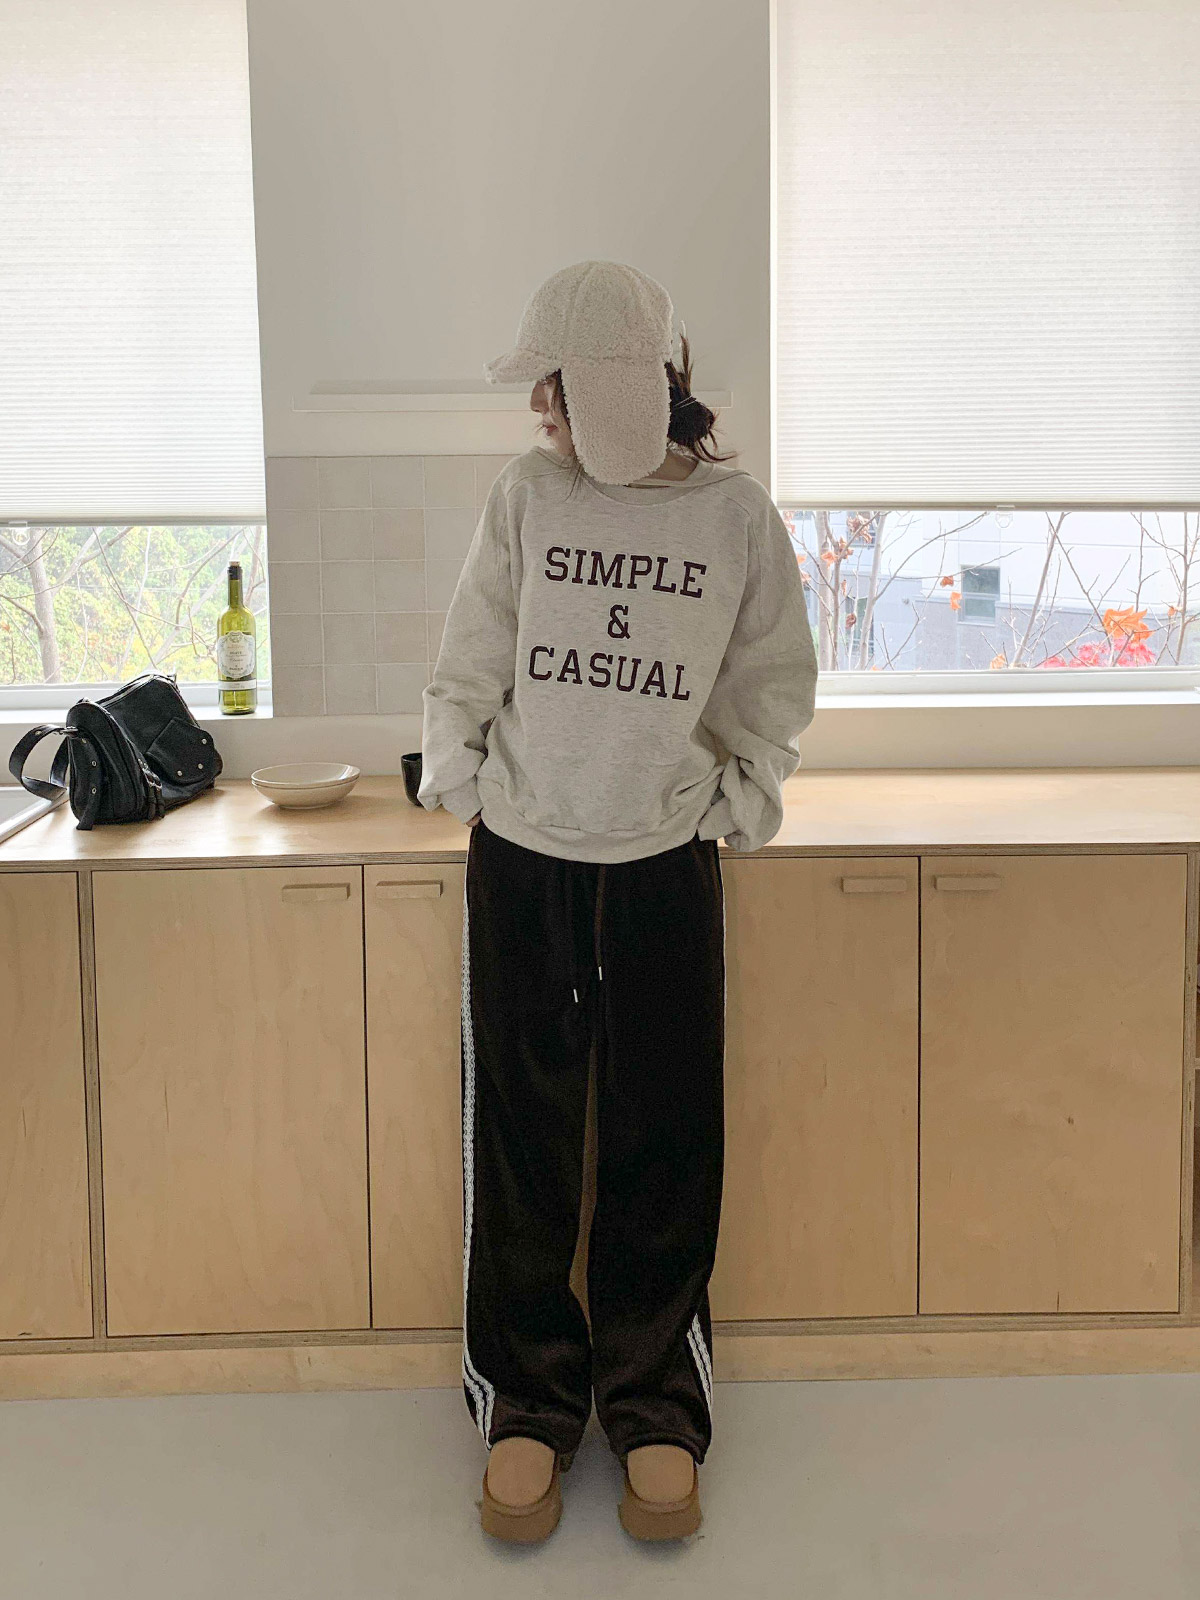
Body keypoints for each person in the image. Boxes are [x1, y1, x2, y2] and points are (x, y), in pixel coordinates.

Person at [417, 259, 818, 1544]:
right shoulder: (527, 495)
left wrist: (744, 792)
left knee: (665, 1142)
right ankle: (527, 1406)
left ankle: (654, 1406)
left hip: (662, 867)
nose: (537, 410)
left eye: (549, 386)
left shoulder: (734, 517)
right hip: (525, 860)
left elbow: (771, 677)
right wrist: (460, 774)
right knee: (522, 1143)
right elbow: (473, 651)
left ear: (610, 385)